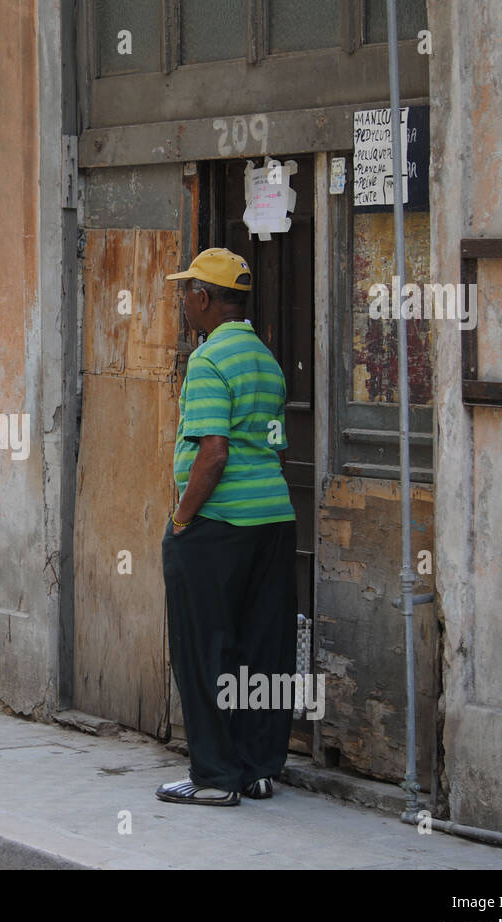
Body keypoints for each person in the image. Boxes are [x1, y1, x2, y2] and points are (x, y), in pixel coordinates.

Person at [157, 248, 297, 807]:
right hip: (273, 521)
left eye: (188, 291)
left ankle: (215, 778)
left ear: (205, 298)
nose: (184, 301)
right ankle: (258, 768)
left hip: (218, 525)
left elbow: (213, 455)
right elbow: (271, 450)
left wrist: (181, 519)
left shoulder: (210, 361)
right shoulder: (265, 357)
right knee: (261, 648)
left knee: (204, 649)